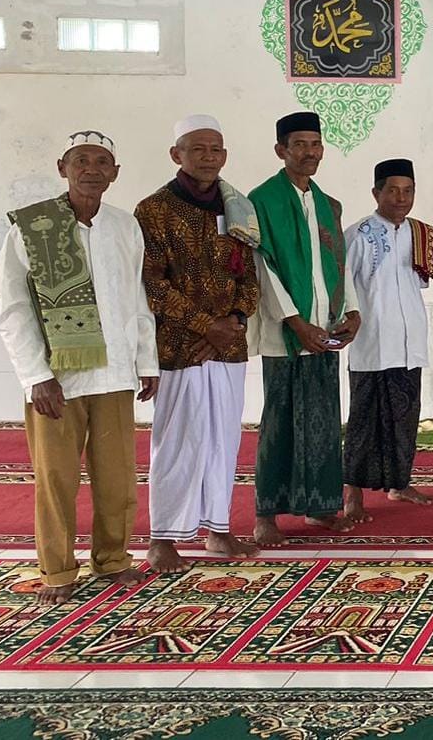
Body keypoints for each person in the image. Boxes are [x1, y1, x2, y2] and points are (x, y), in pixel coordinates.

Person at [0, 130, 156, 603]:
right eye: (81, 160)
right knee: (56, 480)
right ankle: (58, 569)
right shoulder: (31, 227)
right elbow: (12, 308)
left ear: (115, 173)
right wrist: (36, 376)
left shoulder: (124, 226)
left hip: (114, 374)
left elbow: (137, 298)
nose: (91, 169)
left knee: (118, 478)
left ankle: (112, 559)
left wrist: (146, 360)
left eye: (102, 161)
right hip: (56, 380)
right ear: (62, 167)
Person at [135, 114, 261, 573]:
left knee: (223, 440)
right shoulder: (153, 210)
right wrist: (206, 325)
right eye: (198, 149)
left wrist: (233, 320)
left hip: (228, 346)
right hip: (179, 347)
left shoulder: (238, 206)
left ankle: (217, 530)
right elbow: (152, 284)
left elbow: (250, 276)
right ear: (177, 154)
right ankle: (162, 538)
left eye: (216, 149)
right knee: (177, 442)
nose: (209, 157)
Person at [248, 111, 360, 546]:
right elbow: (263, 267)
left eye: (315, 144)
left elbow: (338, 262)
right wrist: (296, 322)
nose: (309, 152)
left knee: (324, 420)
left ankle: (321, 505)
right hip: (286, 335)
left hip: (324, 330)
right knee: (280, 421)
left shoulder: (327, 204)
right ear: (281, 150)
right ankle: (266, 514)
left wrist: (352, 311)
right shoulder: (262, 201)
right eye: (299, 145)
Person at [343, 158, 433, 521]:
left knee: (405, 418)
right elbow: (343, 286)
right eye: (393, 190)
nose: (401, 198)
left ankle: (400, 483)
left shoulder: (421, 235)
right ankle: (352, 493)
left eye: (408, 191)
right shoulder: (359, 234)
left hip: (409, 341)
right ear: (376, 193)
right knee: (364, 421)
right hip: (372, 343)